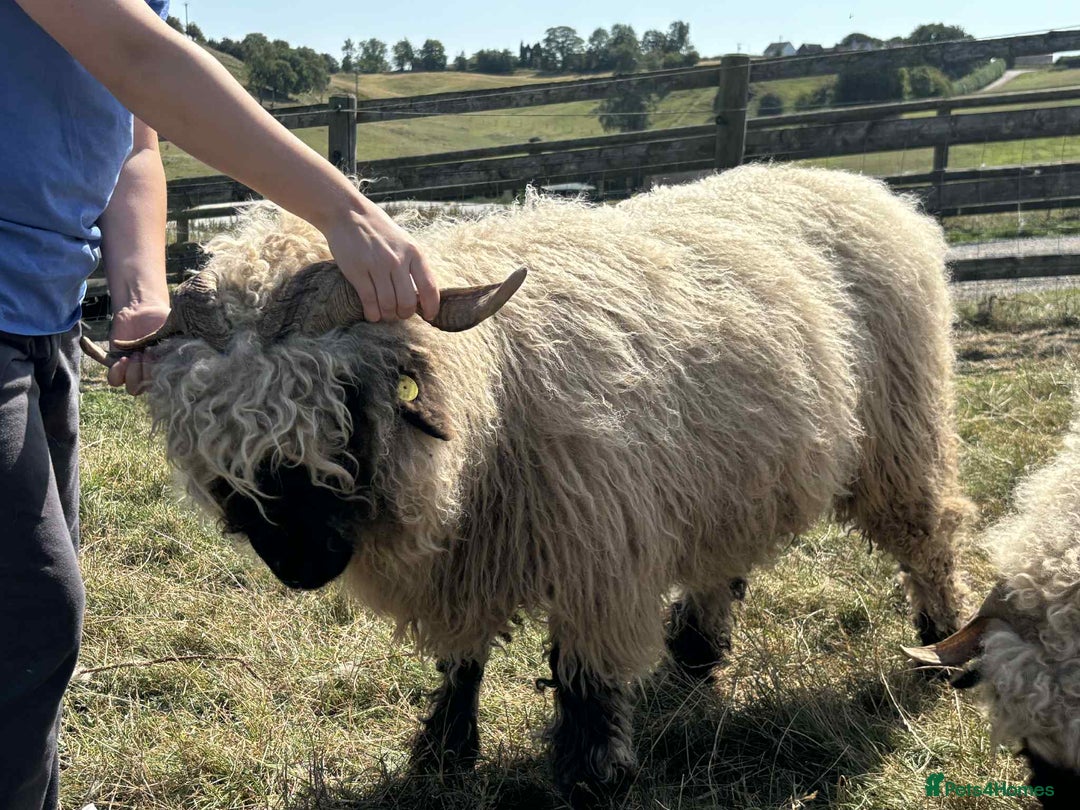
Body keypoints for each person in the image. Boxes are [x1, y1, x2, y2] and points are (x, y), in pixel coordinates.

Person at [0, 1, 439, 806]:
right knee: (25, 622)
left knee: (28, 633)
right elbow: (140, 58)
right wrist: (344, 211)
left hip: (40, 313)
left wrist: (138, 293)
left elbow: (132, 134)